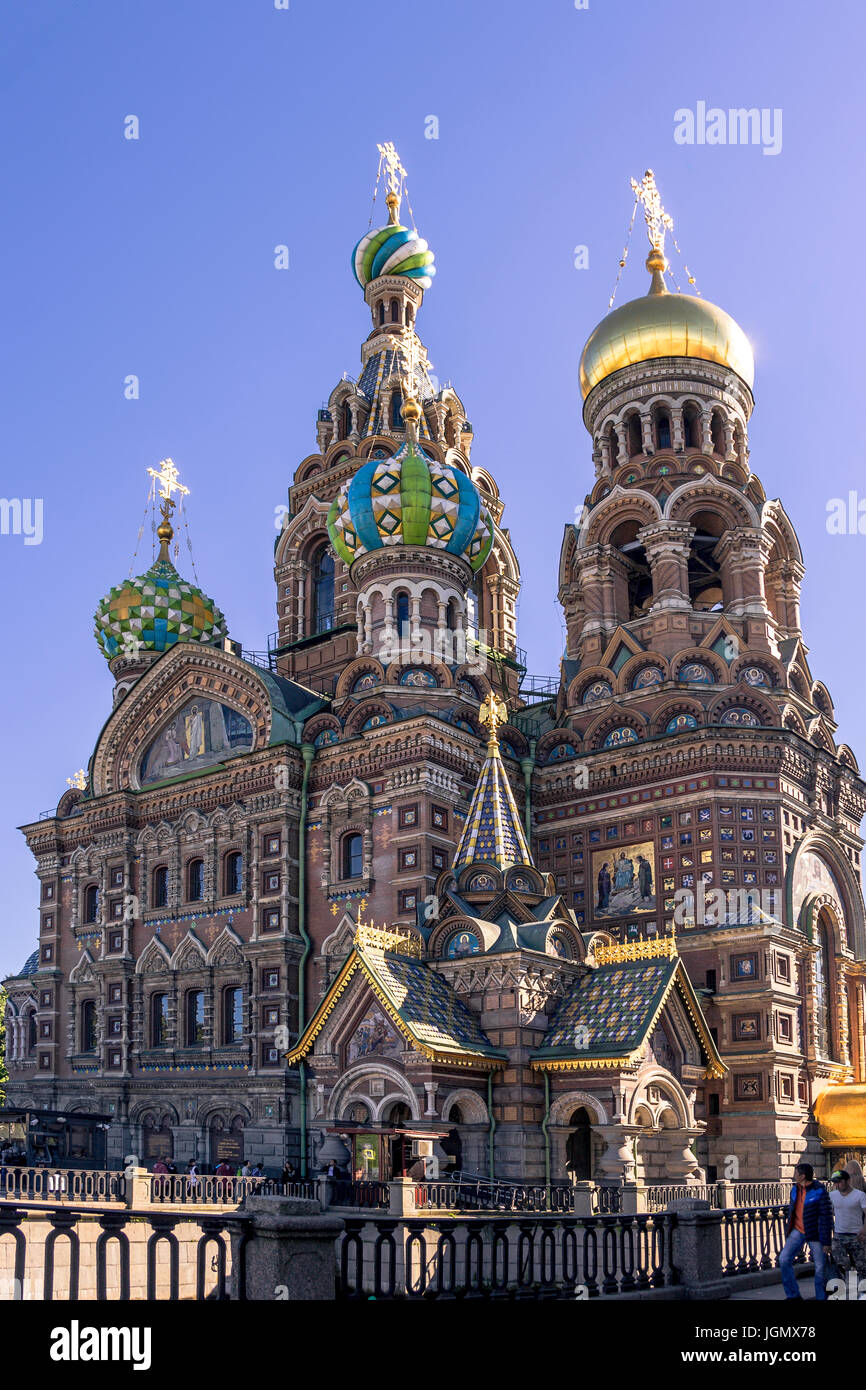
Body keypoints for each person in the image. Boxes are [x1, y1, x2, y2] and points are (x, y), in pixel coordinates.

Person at [780, 1162, 833, 1300]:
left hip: (815, 1233)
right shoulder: (794, 1189)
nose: (794, 1176)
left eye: (796, 1173)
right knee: (784, 1259)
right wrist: (789, 1230)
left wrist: (826, 1242)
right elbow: (792, 1210)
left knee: (820, 1268)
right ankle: (793, 1295)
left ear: (802, 1176)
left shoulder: (819, 1190)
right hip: (797, 1231)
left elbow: (826, 1217)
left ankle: (821, 1297)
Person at [829, 1168, 866, 1281]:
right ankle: (850, 1284)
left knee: (862, 1267)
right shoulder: (832, 1195)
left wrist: (864, 1229)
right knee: (841, 1264)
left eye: (839, 1182)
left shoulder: (860, 1195)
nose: (837, 1185)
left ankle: (862, 1292)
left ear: (848, 1181)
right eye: (835, 1182)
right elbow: (827, 1213)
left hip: (856, 1235)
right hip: (839, 1235)